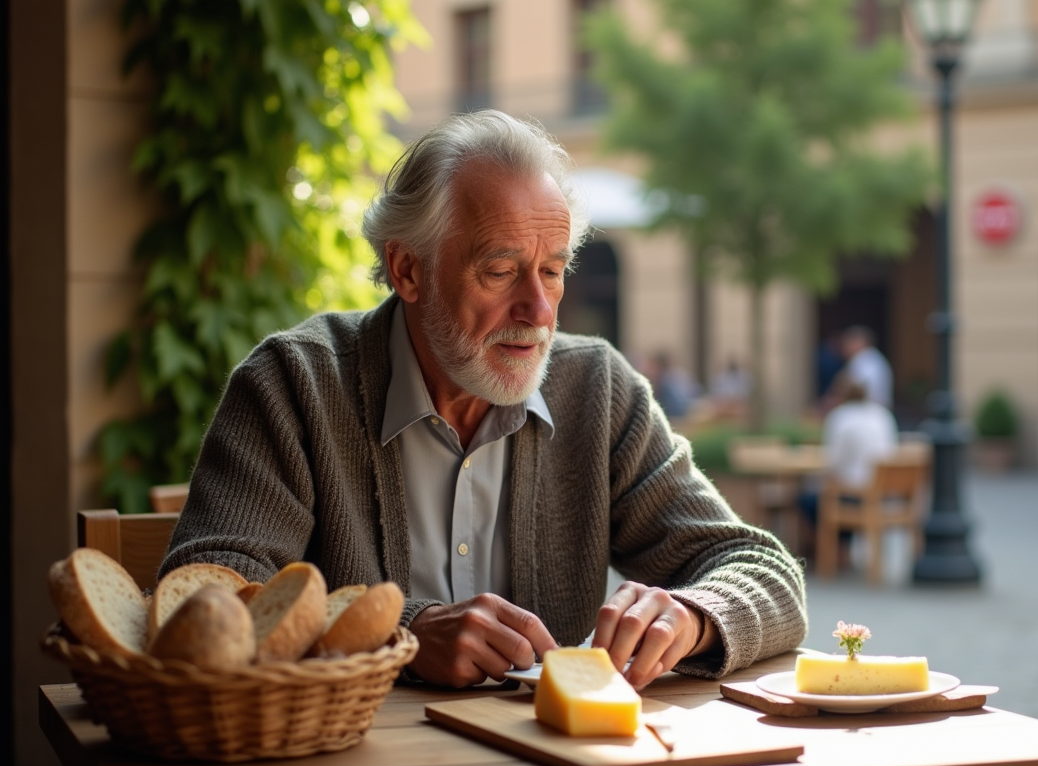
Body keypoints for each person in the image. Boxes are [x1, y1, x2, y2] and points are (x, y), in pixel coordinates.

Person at [159, 110, 807, 689]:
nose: (538, 309)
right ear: (409, 270)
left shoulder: (597, 389)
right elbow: (207, 592)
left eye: (552, 270)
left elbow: (761, 568)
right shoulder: (294, 384)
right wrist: (402, 636)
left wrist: (693, 616)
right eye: (500, 271)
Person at [797, 378, 897, 566]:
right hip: (884, 494)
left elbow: (833, 461)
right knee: (833, 493)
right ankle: (842, 552)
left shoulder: (841, 417)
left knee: (809, 500)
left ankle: (829, 554)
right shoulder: (883, 415)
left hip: (855, 494)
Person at [839, 326, 892, 408]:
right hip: (878, 411)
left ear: (859, 342)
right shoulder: (875, 356)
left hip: (866, 411)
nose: (844, 348)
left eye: (847, 343)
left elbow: (851, 390)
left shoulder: (862, 359)